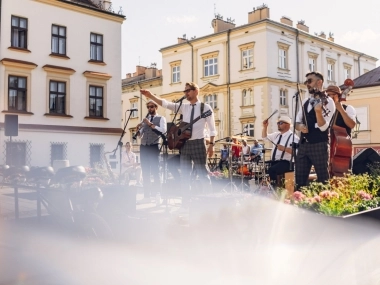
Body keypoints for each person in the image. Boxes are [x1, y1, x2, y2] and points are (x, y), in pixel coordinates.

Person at [141, 82, 217, 208]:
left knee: (203, 173)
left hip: (199, 142)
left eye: (188, 90)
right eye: (185, 91)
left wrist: (212, 145)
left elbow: (212, 129)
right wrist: (151, 96)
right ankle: (186, 203)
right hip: (185, 144)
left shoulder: (206, 108)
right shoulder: (184, 107)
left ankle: (208, 203)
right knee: (185, 176)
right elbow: (166, 104)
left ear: (196, 91)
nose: (186, 93)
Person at [295, 71, 336, 190]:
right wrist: (300, 127)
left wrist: (318, 112)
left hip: (319, 144)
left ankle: (325, 204)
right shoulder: (305, 101)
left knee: (323, 179)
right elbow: (296, 122)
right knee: (299, 180)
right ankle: (300, 203)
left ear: (319, 82)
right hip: (303, 145)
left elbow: (323, 127)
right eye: (306, 82)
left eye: (310, 81)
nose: (307, 84)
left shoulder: (328, 101)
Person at [135, 100, 167, 201]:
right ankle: (146, 195)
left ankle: (157, 194)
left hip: (154, 146)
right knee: (145, 172)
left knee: (155, 171)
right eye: (148, 107)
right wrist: (138, 131)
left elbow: (163, 130)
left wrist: (150, 124)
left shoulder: (161, 118)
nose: (150, 109)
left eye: (152, 107)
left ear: (156, 107)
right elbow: (141, 134)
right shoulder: (145, 119)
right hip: (144, 146)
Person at [325, 85, 356, 175]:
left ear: (337, 96)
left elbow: (352, 124)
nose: (327, 99)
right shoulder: (327, 111)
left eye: (329, 95)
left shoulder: (348, 108)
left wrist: (341, 110)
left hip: (342, 149)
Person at [262, 115, 299, 186]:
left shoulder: (293, 137)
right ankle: (274, 187)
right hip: (275, 162)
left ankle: (276, 188)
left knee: (272, 170)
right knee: (266, 169)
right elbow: (264, 137)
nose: (278, 125)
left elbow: (297, 153)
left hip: (286, 163)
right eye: (278, 123)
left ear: (287, 125)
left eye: (281, 123)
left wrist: (284, 148)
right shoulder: (276, 135)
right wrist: (265, 126)